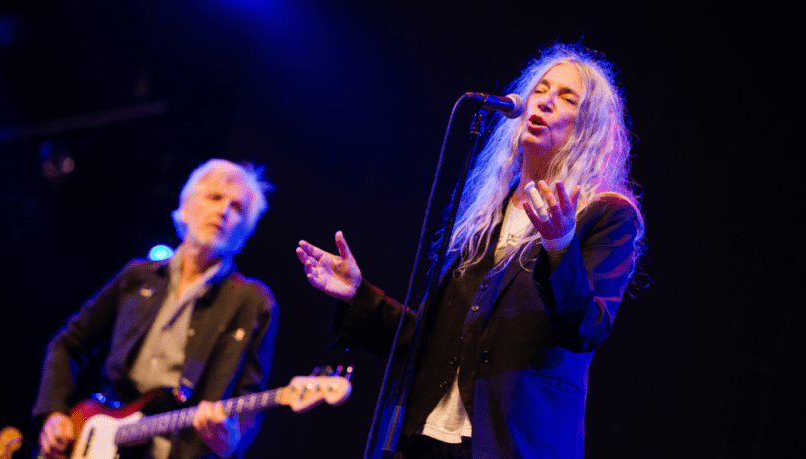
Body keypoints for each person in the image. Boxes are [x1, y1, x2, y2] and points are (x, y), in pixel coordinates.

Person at [296, 43, 646, 458]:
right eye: (540, 90)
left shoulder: (605, 215)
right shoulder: (487, 215)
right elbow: (429, 339)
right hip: (424, 438)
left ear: (589, 128)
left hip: (509, 442)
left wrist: (559, 245)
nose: (545, 101)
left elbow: (587, 327)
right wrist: (358, 295)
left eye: (567, 98)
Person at [33, 159, 278, 459]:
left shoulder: (253, 301)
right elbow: (69, 343)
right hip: (98, 439)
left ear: (246, 231)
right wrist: (54, 412)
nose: (224, 210)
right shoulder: (137, 277)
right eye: (215, 197)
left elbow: (249, 400)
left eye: (237, 207)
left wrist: (231, 441)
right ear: (186, 208)